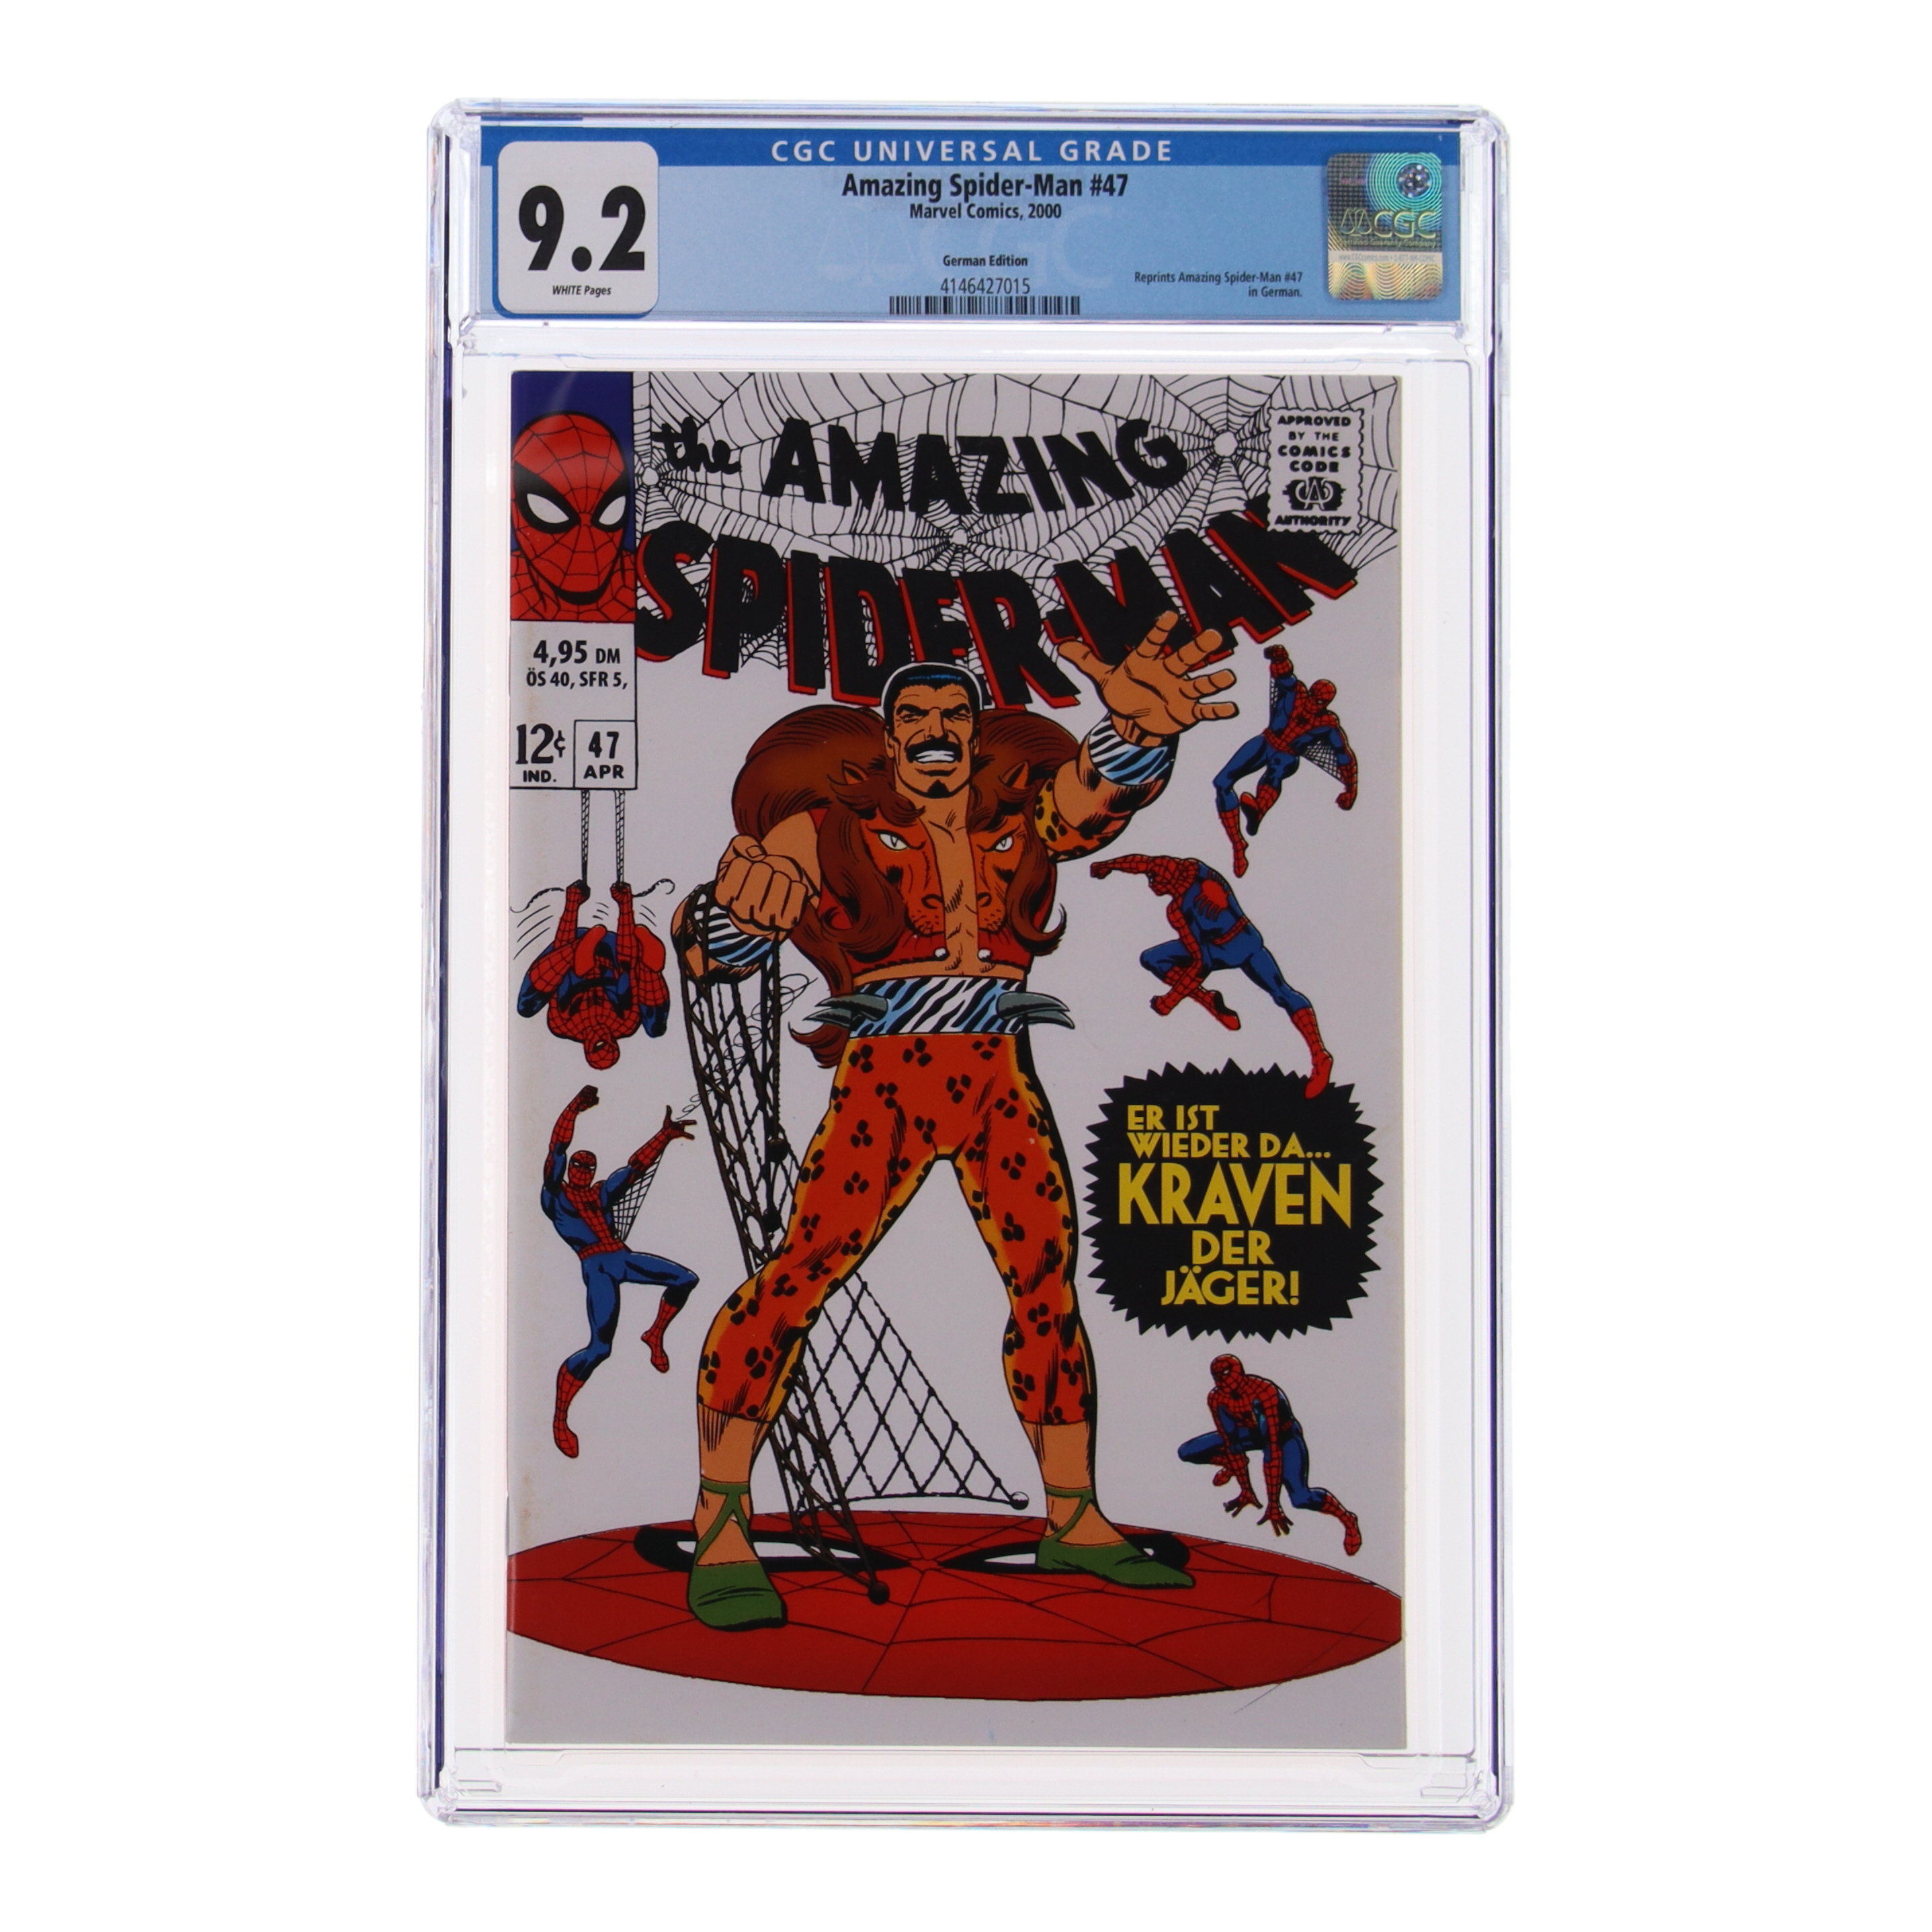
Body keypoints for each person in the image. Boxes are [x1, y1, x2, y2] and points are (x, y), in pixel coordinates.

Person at [673, 614, 1234, 1629]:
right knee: (797, 1277)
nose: (936, 730)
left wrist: (1136, 732)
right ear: (888, 739)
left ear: (976, 736)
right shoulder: (827, 827)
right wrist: (732, 913)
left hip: (996, 1081)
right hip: (885, 1084)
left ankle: (1074, 1516)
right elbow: (732, 926)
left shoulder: (1018, 821)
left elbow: (1091, 800)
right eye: (916, 717)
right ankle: (719, 1521)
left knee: (1045, 1289)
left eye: (953, 716)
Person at [1091, 851, 1335, 1097]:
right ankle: (1317, 1051)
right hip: (1247, 940)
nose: (1151, 885)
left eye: (1157, 880)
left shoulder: (1180, 909)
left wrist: (1171, 1000)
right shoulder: (1195, 869)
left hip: (1229, 949)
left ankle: (1318, 1055)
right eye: (1151, 878)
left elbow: (1201, 962)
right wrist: (1108, 865)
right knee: (1282, 991)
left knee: (1280, 991)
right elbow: (1141, 863)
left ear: (1170, 879)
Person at [542, 1087, 698, 1459]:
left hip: (621, 1257)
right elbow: (557, 1150)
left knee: (686, 1278)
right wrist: (574, 1108)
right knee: (600, 1348)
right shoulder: (556, 1197)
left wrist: (664, 1135)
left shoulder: (600, 1194)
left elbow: (634, 1169)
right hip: (596, 1265)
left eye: (588, 1167)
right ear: (570, 1170)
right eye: (578, 1167)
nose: (582, 1172)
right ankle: (561, 1417)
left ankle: (654, 1334)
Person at [1177, 1353, 1361, 1554]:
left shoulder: (1264, 1392)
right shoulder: (1217, 1398)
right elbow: (1232, 1444)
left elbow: (1273, 1451)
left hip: (1285, 1436)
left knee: (1301, 1498)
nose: (1227, 1388)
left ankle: (1347, 1519)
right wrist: (1246, 1490)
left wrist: (1274, 1504)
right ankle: (1229, 1467)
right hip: (1250, 1433)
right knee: (1189, 1451)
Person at [1210, 645, 1357, 876]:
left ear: (1326, 704)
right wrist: (1280, 658)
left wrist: (1351, 788)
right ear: (1310, 692)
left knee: (1277, 769)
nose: (1314, 703)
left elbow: (1344, 756)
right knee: (1222, 783)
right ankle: (1238, 845)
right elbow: (1284, 675)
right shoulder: (1295, 693)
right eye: (1314, 696)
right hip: (1266, 741)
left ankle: (1259, 810)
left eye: (1320, 702)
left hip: (1287, 754)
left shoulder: (1328, 724)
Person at [517, 879, 668, 1070]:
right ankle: (650, 965)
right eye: (609, 1044)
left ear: (587, 1049)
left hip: (574, 955)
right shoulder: (627, 1025)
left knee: (526, 1007)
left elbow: (556, 983)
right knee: (655, 1027)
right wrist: (625, 906)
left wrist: (573, 903)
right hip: (615, 955)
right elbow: (631, 978)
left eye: (597, 1047)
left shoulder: (561, 1026)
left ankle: (577, 944)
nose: (602, 1038)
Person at [510, 411, 636, 622]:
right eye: (549, 511)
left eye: (611, 510)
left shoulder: (639, 572)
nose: (586, 542)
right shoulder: (499, 578)